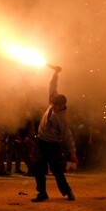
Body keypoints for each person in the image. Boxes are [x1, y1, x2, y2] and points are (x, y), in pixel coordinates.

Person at [32, 66, 78, 202]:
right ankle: (42, 193)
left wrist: (73, 153)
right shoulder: (54, 101)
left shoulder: (62, 119)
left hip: (52, 145)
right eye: (53, 104)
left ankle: (68, 191)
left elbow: (68, 137)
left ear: (62, 105)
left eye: (56, 106)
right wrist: (55, 73)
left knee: (57, 170)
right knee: (39, 167)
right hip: (41, 142)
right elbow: (52, 86)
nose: (53, 106)